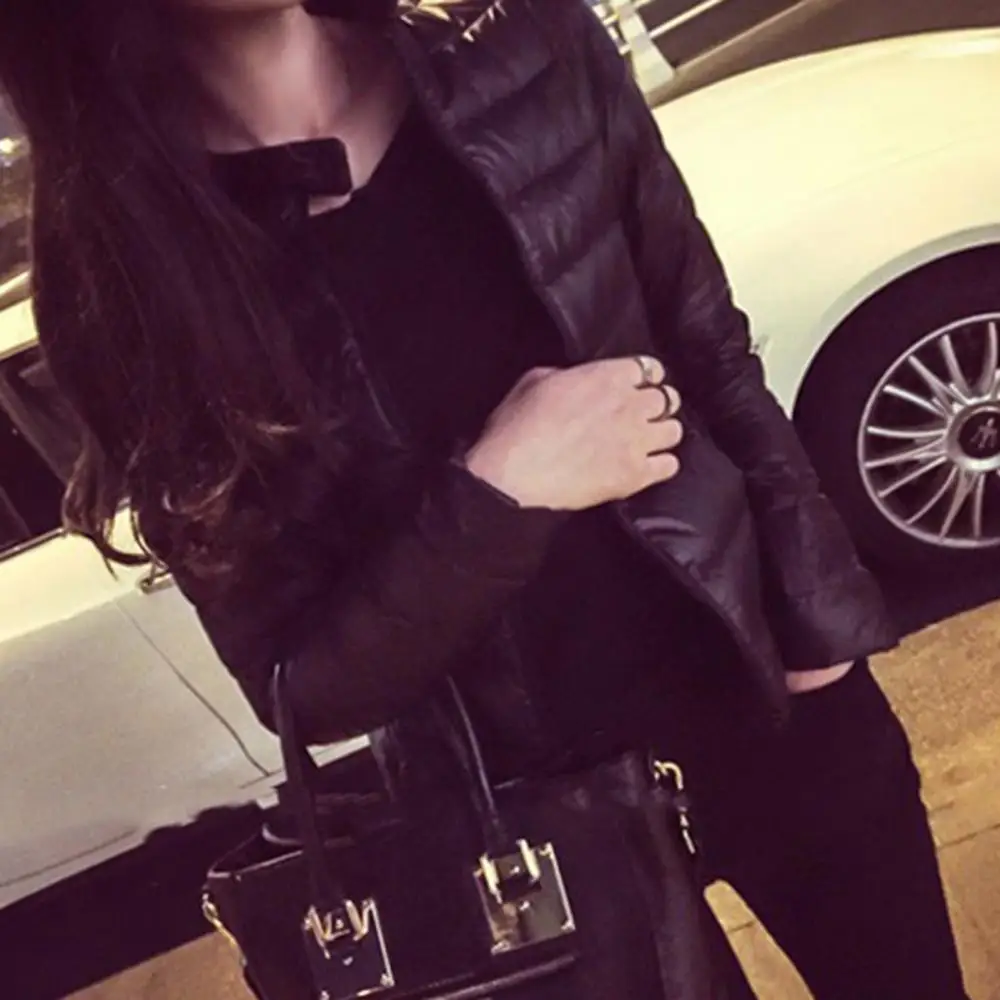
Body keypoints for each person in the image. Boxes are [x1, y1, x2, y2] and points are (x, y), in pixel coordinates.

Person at [0, 0, 968, 996]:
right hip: (517, 834)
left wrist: (816, 631)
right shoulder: (129, 272)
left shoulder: (528, 48)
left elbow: (710, 349)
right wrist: (502, 491)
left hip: (772, 697)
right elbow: (301, 684)